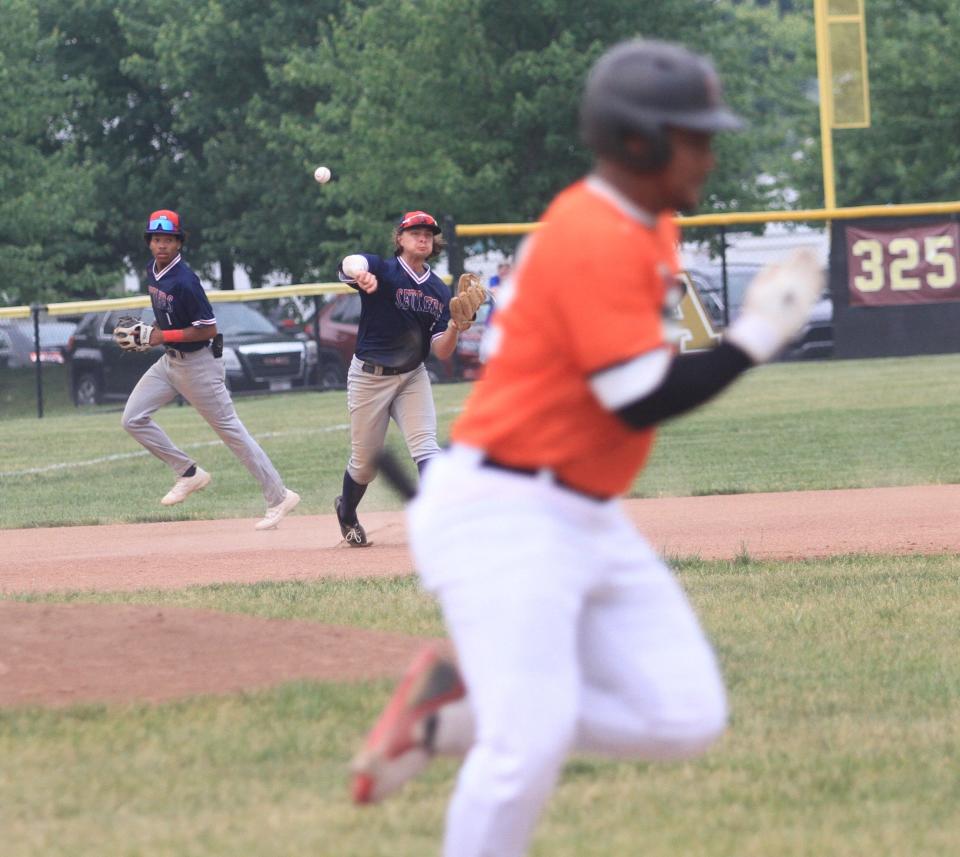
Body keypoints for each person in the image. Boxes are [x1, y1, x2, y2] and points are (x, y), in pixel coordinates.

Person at [349, 39, 823, 856]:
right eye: (694, 135)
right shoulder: (595, 235)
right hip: (505, 510)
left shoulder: (647, 226)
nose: (709, 152)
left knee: (686, 715)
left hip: (580, 510)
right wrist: (751, 339)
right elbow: (635, 398)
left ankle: (453, 713)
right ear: (638, 141)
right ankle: (477, 720)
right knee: (522, 751)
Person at [120, 209, 300, 530]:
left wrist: (161, 335)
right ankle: (188, 472)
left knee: (231, 432)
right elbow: (169, 321)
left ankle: (278, 497)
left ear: (179, 243)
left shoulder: (186, 281)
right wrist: (151, 332)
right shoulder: (153, 270)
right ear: (150, 242)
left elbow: (207, 329)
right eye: (157, 238)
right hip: (170, 362)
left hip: (200, 366)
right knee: (132, 418)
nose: (162, 245)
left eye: (169, 239)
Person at [333, 210, 463, 547]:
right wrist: (359, 273)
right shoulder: (382, 268)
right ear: (400, 239)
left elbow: (443, 351)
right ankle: (346, 512)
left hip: (412, 376)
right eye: (415, 232)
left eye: (428, 233)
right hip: (369, 377)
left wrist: (455, 326)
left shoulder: (438, 289)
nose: (423, 237)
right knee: (364, 465)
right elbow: (349, 262)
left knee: (426, 447)